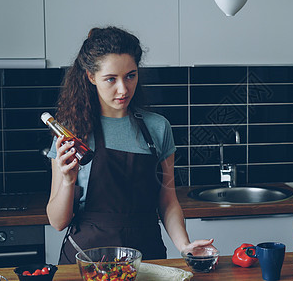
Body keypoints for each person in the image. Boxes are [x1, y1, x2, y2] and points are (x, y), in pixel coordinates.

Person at [46, 26, 214, 264]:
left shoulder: (158, 127)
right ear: (91, 77)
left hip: (147, 261)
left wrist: (184, 245)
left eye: (130, 76)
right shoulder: (71, 132)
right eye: (111, 79)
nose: (123, 89)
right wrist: (68, 180)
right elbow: (57, 222)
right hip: (86, 263)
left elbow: (167, 201)